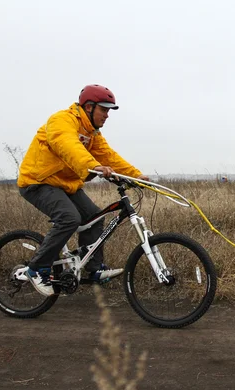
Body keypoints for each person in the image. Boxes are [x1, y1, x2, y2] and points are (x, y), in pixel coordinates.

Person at [17, 84, 149, 296]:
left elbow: (108, 156)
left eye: (108, 111)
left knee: (95, 217)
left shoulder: (92, 133)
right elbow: (67, 144)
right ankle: (37, 269)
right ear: (89, 107)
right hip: (38, 181)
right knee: (69, 218)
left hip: (65, 184)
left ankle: (94, 269)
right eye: (103, 110)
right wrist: (93, 165)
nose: (107, 115)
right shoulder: (61, 120)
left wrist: (136, 175)